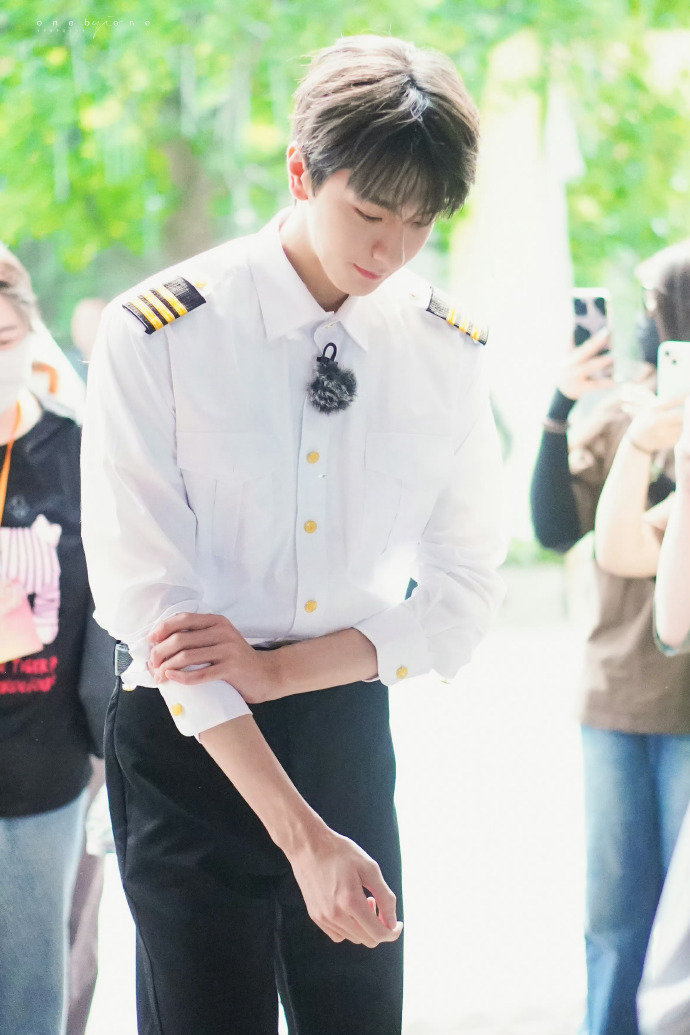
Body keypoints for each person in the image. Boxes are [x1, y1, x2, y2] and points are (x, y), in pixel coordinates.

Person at [81, 34, 504, 1035]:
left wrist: (282, 673)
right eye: (369, 213)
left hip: (341, 723)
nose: (389, 252)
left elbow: (465, 595)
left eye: (419, 223)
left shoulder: (443, 351)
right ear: (301, 171)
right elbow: (154, 610)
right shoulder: (160, 333)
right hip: (189, 736)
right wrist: (304, 839)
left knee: (358, 1015)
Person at [530, 238, 690, 1035]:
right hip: (619, 698)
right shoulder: (627, 419)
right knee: (619, 916)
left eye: (656, 307)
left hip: (682, 706)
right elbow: (561, 529)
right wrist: (563, 408)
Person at [0, 264, 114, 1034]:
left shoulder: (74, 447)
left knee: (35, 984)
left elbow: (112, 605)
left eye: (3, 335)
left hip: (48, 767)